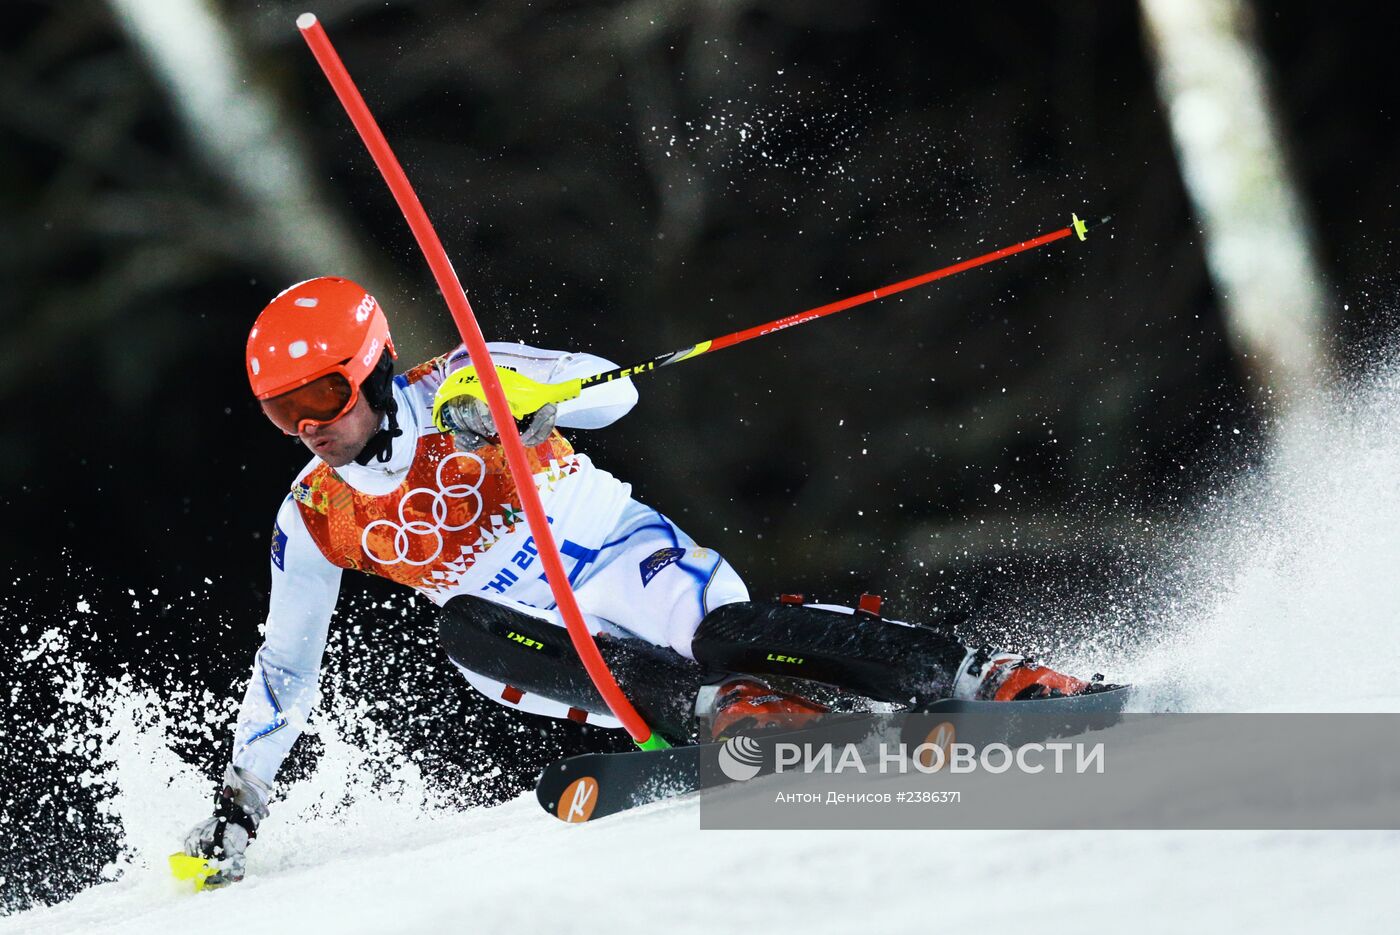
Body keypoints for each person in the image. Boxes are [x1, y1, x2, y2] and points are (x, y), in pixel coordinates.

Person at [182, 276, 1101, 885]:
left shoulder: (462, 377)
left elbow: (611, 390)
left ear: (373, 369)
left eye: (320, 398)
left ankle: (975, 674)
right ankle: (732, 719)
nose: (307, 426)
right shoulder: (313, 514)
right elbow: (285, 665)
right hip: (536, 637)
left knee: (725, 635)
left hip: (620, 555)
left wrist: (524, 407)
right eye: (281, 411)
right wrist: (240, 800)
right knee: (462, 626)